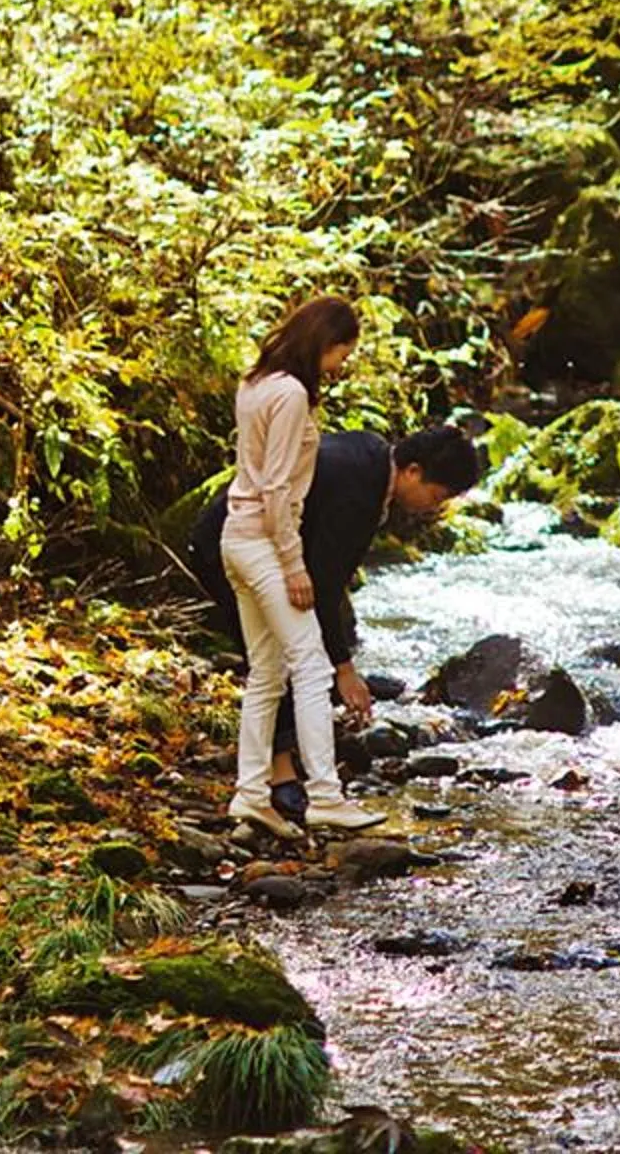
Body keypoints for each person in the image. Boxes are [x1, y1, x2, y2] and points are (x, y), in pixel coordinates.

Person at [189, 417, 482, 827]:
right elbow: (323, 585)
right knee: (288, 656)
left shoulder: (372, 454)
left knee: (281, 658)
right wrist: (344, 669)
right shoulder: (358, 493)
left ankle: (264, 781)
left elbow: (328, 577)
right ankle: (284, 777)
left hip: (249, 542)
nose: (435, 506)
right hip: (231, 545)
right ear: (413, 471)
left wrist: (344, 658)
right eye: (437, 495)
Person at [214, 295, 391, 838]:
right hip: (265, 543)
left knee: (267, 673)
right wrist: (293, 564)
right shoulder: (290, 393)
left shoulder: (255, 382)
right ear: (324, 341)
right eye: (342, 352)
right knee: (311, 668)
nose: (340, 364)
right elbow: (275, 486)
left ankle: (250, 795)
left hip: (235, 537)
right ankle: (326, 796)